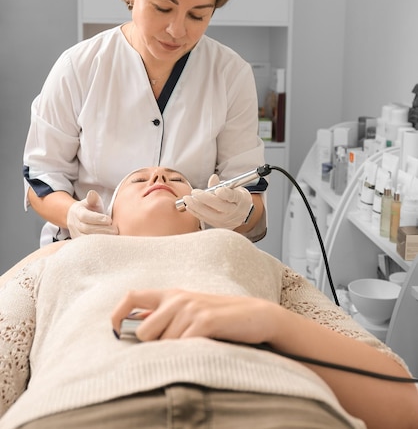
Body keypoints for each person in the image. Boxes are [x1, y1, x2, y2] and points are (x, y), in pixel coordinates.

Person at [1, 167, 417, 429]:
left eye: (177, 179)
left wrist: (272, 323)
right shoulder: (61, 255)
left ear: (203, 212)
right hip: (78, 409)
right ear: (109, 217)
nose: (160, 179)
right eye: (139, 180)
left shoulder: (244, 253)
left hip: (277, 408)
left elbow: (401, 399)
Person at [22, 0, 267, 247]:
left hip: (186, 258)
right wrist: (73, 214)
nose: (177, 31)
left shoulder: (230, 75)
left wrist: (241, 213)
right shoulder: (79, 67)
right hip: (89, 253)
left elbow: (251, 195)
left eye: (198, 15)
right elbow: (42, 178)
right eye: (163, 8)